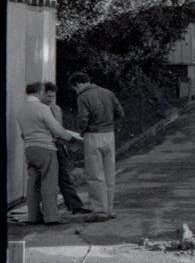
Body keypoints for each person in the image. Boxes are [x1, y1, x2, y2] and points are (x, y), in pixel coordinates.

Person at [18, 81, 83, 225]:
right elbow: (56, 129)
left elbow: (23, 133)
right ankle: (51, 217)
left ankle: (33, 216)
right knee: (49, 183)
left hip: (29, 148)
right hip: (46, 148)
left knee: (33, 184)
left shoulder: (21, 110)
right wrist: (71, 139)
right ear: (39, 91)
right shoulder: (42, 108)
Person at [70, 71, 123, 221]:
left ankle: (100, 210)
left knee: (95, 174)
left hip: (92, 136)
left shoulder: (82, 97)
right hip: (109, 134)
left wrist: (80, 133)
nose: (76, 91)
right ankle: (110, 208)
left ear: (78, 84)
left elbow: (83, 119)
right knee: (109, 173)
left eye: (75, 88)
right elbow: (120, 112)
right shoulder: (107, 92)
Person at [41, 83, 89, 216]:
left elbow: (59, 127)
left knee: (64, 175)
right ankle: (48, 210)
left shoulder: (57, 109)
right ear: (43, 95)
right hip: (47, 145)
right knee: (48, 178)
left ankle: (75, 206)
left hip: (59, 145)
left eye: (53, 95)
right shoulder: (40, 109)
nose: (51, 98)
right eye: (48, 95)